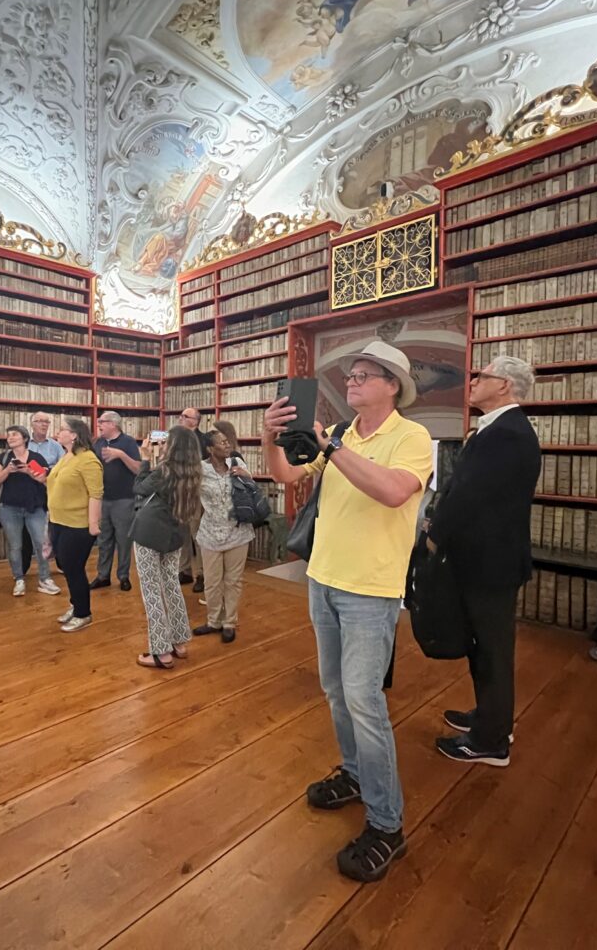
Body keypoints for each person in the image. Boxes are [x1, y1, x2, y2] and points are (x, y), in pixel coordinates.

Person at [263, 340, 433, 884]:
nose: (352, 381)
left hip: (369, 588)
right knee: (335, 689)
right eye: (352, 374)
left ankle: (388, 826)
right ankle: (357, 774)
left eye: (364, 375)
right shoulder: (339, 435)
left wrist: (331, 450)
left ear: (392, 385)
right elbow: (288, 479)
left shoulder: (413, 437)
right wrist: (272, 439)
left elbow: (391, 492)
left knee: (364, 700)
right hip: (323, 579)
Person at [429, 356, 541, 767]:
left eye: (483, 376)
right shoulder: (499, 430)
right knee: (483, 646)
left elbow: (468, 495)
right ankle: (491, 718)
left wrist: (433, 534)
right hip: (484, 558)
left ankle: (492, 741)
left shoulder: (507, 434)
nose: (473, 381)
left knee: (492, 650)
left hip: (490, 563)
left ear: (505, 387)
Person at [131, 426, 202, 668]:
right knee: (171, 585)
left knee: (151, 591)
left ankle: (161, 652)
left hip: (149, 532)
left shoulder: (164, 471)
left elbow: (139, 488)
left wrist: (144, 459)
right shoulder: (194, 472)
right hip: (174, 535)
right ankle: (179, 642)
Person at [192, 430, 254, 644]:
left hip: (238, 532)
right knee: (211, 581)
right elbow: (188, 490)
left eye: (228, 441)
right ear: (210, 448)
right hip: (210, 533)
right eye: (222, 442)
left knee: (233, 580)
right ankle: (213, 621)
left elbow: (251, 490)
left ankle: (229, 622)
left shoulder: (237, 462)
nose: (227, 445)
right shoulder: (200, 469)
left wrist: (247, 477)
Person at [46, 417, 103, 632]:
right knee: (65, 566)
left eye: (62, 430)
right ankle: (76, 603)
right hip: (58, 521)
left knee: (73, 568)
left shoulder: (88, 460)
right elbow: (57, 481)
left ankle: (83, 613)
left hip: (78, 524)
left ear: (75, 435)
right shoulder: (68, 456)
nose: (58, 433)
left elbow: (96, 493)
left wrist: (93, 524)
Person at [0, 425, 60, 597]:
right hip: (9, 508)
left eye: (15, 434)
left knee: (40, 543)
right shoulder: (4, 457)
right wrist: (8, 470)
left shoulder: (37, 457)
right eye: (8, 435)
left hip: (34, 507)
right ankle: (19, 579)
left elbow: (45, 481)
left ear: (24, 438)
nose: (10, 437)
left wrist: (29, 472)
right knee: (16, 546)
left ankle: (45, 579)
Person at [90, 411, 142, 592]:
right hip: (102, 499)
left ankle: (124, 576)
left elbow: (138, 469)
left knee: (123, 540)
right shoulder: (98, 443)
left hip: (124, 499)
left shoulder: (128, 442)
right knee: (104, 540)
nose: (99, 425)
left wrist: (120, 455)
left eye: (102, 422)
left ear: (113, 424)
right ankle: (103, 575)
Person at [21, 411, 66, 577]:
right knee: (25, 531)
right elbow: (19, 464)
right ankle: (23, 567)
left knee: (56, 527)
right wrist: (41, 470)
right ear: (32, 424)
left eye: (46, 422)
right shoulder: (25, 445)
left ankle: (61, 564)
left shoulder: (55, 446)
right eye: (39, 421)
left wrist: (45, 471)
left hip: (51, 491)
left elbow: (64, 467)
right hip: (28, 492)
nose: (43, 424)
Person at [177, 406, 206, 591]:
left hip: (196, 493)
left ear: (195, 421)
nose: (180, 418)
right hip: (179, 492)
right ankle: (184, 570)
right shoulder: (177, 439)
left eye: (185, 416)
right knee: (182, 533)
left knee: (197, 534)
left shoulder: (203, 441)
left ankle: (202, 574)